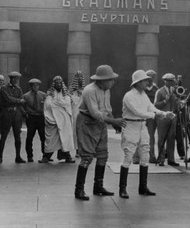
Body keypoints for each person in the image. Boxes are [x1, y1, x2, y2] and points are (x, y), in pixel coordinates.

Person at [119, 70, 173, 198]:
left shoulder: (143, 95)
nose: (147, 82)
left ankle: (143, 187)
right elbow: (137, 112)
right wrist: (155, 116)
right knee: (128, 156)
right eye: (144, 80)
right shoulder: (129, 96)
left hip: (142, 126)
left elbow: (150, 107)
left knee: (145, 154)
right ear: (137, 82)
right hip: (131, 125)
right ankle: (122, 188)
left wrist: (163, 113)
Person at [74, 65, 125, 200]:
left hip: (100, 124)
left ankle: (98, 187)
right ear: (102, 80)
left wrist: (114, 123)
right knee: (87, 157)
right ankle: (78, 190)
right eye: (111, 79)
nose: (113, 82)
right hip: (86, 123)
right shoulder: (89, 90)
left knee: (102, 155)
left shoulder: (106, 90)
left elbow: (107, 108)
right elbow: (95, 113)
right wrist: (113, 122)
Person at [40, 76, 75, 163]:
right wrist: (59, 104)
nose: (58, 84)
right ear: (54, 84)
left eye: (60, 83)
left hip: (64, 120)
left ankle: (68, 157)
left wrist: (56, 103)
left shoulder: (66, 94)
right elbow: (48, 105)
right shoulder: (50, 93)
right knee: (51, 139)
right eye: (57, 83)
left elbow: (67, 103)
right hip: (53, 119)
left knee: (65, 138)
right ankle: (46, 157)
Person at [0, 71, 26, 163]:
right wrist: (18, 100)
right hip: (7, 114)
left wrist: (24, 113)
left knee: (17, 137)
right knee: (4, 136)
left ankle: (18, 156)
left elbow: (22, 102)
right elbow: (8, 99)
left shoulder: (19, 89)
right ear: (11, 79)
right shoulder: (4, 88)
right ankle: (0, 156)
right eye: (15, 79)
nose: (16, 81)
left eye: (17, 79)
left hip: (16, 115)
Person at [154, 73, 180, 167]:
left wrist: (180, 102)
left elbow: (177, 104)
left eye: (172, 80)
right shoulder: (160, 91)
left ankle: (171, 159)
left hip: (172, 118)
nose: (171, 82)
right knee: (161, 139)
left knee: (171, 139)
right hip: (162, 118)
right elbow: (156, 105)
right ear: (165, 81)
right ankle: (161, 159)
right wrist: (165, 101)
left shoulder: (174, 91)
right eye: (169, 81)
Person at [23, 78, 46, 162]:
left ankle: (45, 155)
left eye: (37, 85)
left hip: (41, 117)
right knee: (29, 137)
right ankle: (29, 156)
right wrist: (26, 115)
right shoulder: (26, 96)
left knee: (43, 137)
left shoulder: (43, 95)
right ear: (31, 86)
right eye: (34, 85)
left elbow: (47, 105)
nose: (36, 87)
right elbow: (23, 107)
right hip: (31, 117)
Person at [69, 71, 84, 158]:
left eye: (81, 77)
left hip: (83, 113)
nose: (79, 79)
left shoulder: (85, 90)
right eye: (77, 77)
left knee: (83, 133)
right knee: (75, 133)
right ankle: (77, 151)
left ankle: (83, 150)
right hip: (74, 113)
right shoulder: (71, 91)